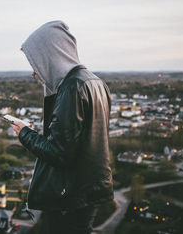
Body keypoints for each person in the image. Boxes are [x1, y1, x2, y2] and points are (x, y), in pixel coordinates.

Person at [11, 21, 114, 234]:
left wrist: (24, 133)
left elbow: (58, 152)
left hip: (70, 194)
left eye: (36, 62)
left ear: (51, 55)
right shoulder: (96, 83)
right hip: (89, 188)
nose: (34, 71)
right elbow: (77, 141)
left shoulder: (72, 88)